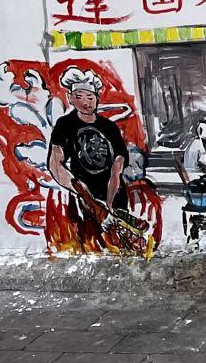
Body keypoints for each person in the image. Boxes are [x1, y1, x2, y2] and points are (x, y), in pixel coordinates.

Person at [47, 70, 139, 249]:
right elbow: (55, 164)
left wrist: (110, 199)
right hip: (83, 203)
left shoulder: (110, 127)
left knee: (122, 247)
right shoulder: (65, 125)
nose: (85, 102)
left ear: (97, 98)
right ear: (70, 98)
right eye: (79, 96)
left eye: (90, 97)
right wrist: (82, 192)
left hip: (115, 198)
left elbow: (117, 166)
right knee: (90, 248)